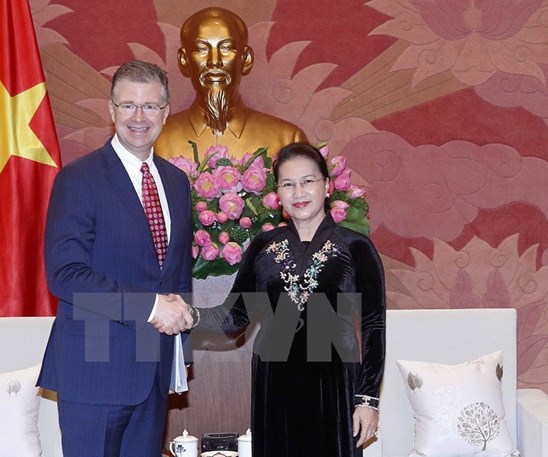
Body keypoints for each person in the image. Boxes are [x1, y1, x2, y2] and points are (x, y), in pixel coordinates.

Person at [163, 143, 385, 456]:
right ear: (277, 193)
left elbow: (374, 325)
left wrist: (367, 400)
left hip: (335, 387)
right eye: (288, 184)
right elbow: (234, 317)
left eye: (308, 181)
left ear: (327, 185)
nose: (299, 192)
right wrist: (187, 314)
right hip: (275, 385)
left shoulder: (356, 247)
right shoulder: (262, 246)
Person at [37, 60, 196, 457]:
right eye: (127, 106)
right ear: (111, 111)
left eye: (149, 106)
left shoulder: (176, 183)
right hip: (95, 370)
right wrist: (151, 306)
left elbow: (175, 275)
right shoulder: (79, 178)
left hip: (153, 371)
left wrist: (181, 343)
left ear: (166, 111)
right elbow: (66, 276)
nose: (138, 117)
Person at [154, 7, 307, 159]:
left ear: (245, 59)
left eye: (226, 48)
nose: (214, 62)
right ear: (184, 60)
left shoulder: (287, 140)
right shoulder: (156, 140)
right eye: (201, 49)